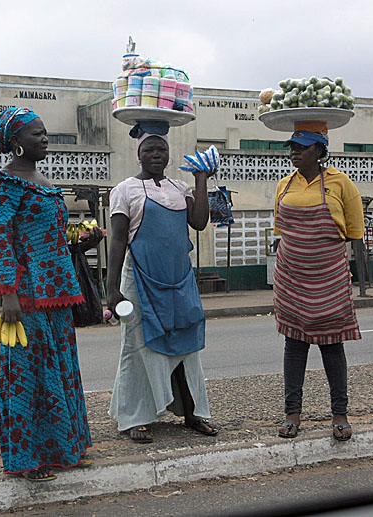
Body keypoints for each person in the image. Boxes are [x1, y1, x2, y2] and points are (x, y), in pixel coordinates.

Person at [0, 107, 92, 480]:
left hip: (57, 293)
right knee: (27, 376)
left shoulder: (44, 181)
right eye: (36, 134)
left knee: (61, 370)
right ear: (14, 143)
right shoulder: (1, 185)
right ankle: (28, 459)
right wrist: (7, 293)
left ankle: (66, 447)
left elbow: (49, 236)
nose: (44, 139)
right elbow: (0, 240)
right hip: (26, 295)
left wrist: (81, 242)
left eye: (45, 133)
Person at [107, 124, 218, 443]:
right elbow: (117, 241)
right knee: (138, 347)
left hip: (179, 280)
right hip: (140, 280)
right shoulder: (124, 190)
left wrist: (201, 179)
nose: (156, 154)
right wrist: (111, 288)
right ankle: (135, 418)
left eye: (161, 150)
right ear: (138, 154)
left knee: (188, 345)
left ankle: (193, 413)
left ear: (169, 155)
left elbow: (198, 222)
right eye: (149, 150)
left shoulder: (180, 188)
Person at [273, 123, 365, 441]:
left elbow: (354, 234)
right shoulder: (284, 185)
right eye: (293, 148)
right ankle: (292, 415)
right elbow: (280, 231)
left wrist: (357, 281)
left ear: (320, 151)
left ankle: (340, 414)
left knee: (332, 345)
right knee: (295, 345)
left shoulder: (341, 184)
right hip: (292, 278)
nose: (295, 153)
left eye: (303, 147)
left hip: (329, 277)